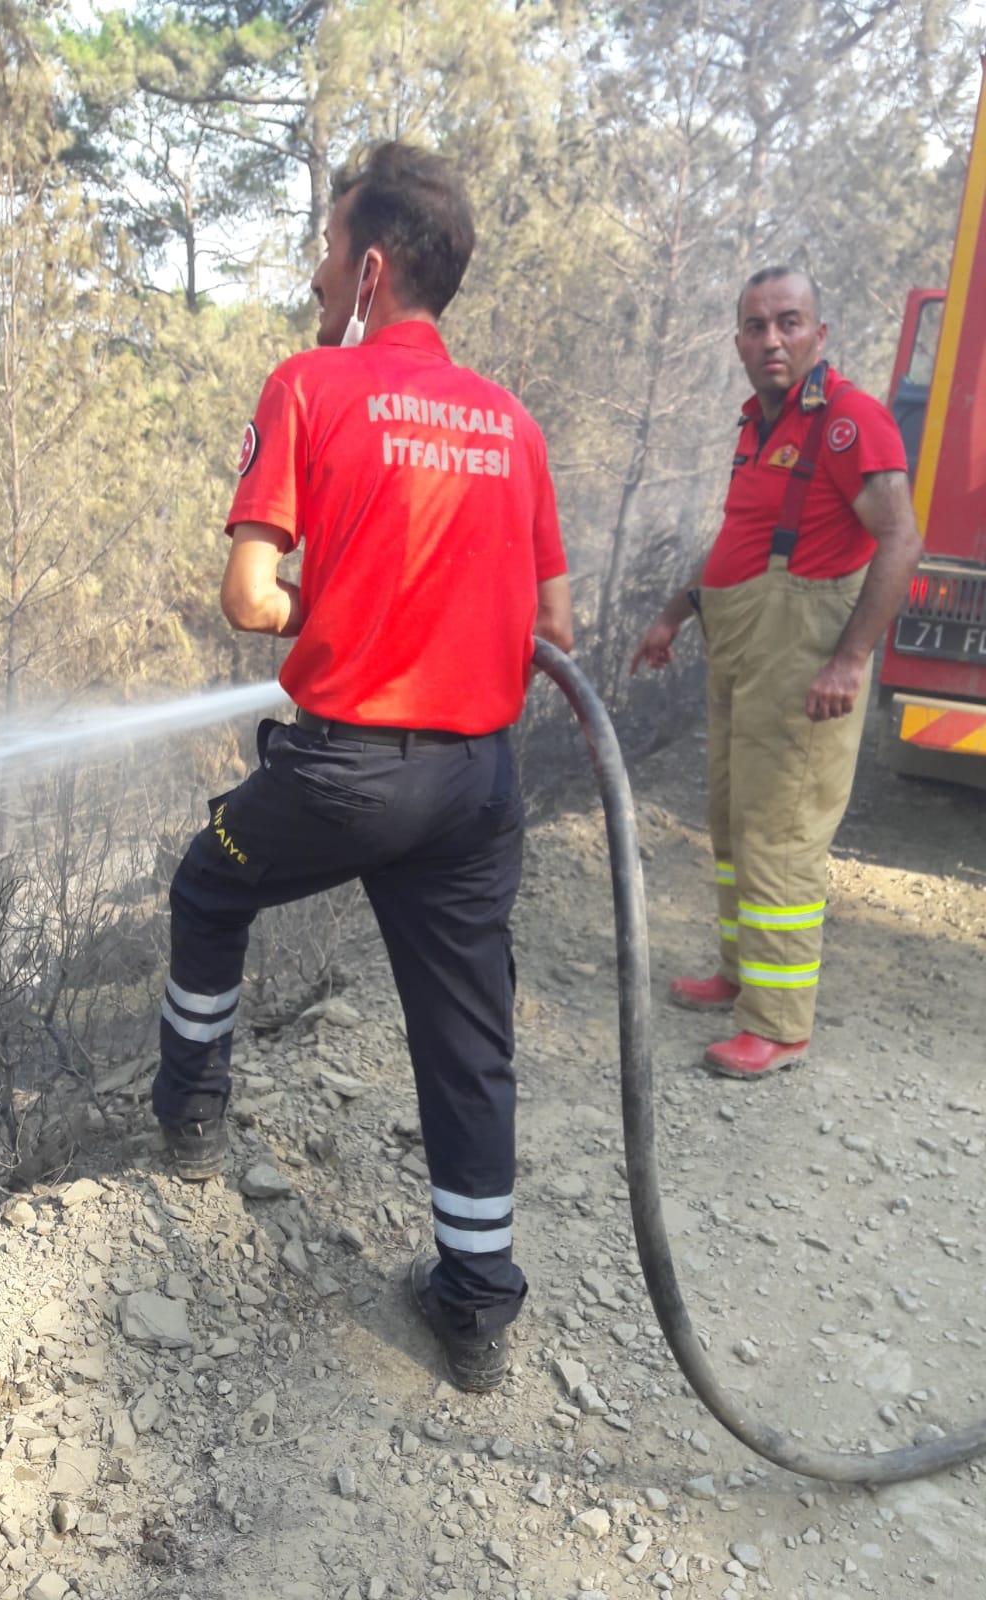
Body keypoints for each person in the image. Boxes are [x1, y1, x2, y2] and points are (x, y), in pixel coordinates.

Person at [152, 142, 572, 1391]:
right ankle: (479, 1303)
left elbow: (245, 595)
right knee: (464, 1036)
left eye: (329, 248)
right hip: (478, 789)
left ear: (372, 267)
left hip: (347, 776)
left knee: (207, 882)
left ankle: (187, 1117)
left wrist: (336, 599)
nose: (318, 267)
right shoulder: (513, 422)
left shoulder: (309, 386)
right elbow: (556, 632)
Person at [631, 266, 921, 1080]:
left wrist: (851, 658)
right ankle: (741, 973)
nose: (771, 340)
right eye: (756, 327)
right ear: (738, 343)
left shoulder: (849, 423)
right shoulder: (758, 427)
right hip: (744, 644)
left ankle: (780, 1022)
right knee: (733, 821)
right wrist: (675, 612)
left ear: (819, 334)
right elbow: (741, 541)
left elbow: (901, 542)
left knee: (782, 834)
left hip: (802, 651)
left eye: (789, 323)